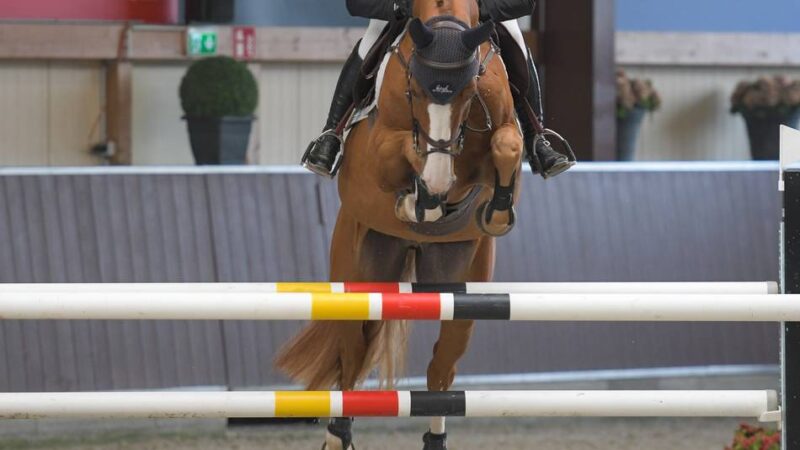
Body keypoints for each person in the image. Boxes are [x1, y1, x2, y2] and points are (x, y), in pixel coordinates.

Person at [302, 0, 572, 179]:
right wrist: (402, 5)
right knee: (371, 39)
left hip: (472, 17)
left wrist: (479, 7)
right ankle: (332, 135)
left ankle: (538, 138)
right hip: (414, 17)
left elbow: (524, 2)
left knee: (516, 40)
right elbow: (357, 3)